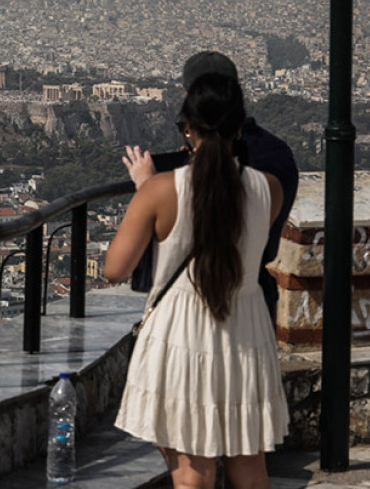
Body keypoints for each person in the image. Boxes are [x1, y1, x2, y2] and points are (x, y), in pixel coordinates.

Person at [106, 73, 288, 489]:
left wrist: (145, 189)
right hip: (246, 328)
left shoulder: (159, 191)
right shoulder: (270, 189)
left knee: (192, 473)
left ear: (187, 129)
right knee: (249, 466)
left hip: (182, 333)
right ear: (239, 127)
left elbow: (115, 268)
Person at [127, 51, 299, 322]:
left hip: (189, 305)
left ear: (190, 102)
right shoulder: (277, 157)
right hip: (254, 301)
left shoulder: (174, 182)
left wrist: (150, 189)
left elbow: (116, 267)